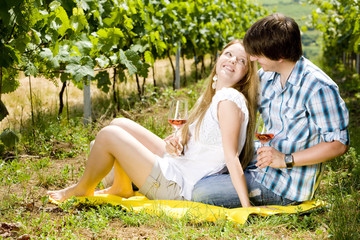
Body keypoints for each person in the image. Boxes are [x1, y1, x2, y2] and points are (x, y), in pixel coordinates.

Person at [47, 39, 259, 207]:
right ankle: (121, 187)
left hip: (177, 186)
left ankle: (82, 188)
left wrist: (246, 207)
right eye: (229, 54)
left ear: (247, 74)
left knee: (109, 135)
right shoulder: (217, 97)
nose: (232, 60)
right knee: (120, 123)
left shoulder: (229, 100)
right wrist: (178, 141)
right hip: (177, 166)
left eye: (241, 61)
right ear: (219, 58)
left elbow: (231, 158)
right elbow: (203, 146)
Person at [191, 13, 350, 208]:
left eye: (258, 54)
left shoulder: (318, 87)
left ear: (280, 56)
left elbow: (338, 144)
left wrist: (286, 159)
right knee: (197, 169)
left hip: (286, 186)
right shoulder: (266, 77)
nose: (252, 58)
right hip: (259, 164)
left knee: (200, 191)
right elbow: (230, 104)